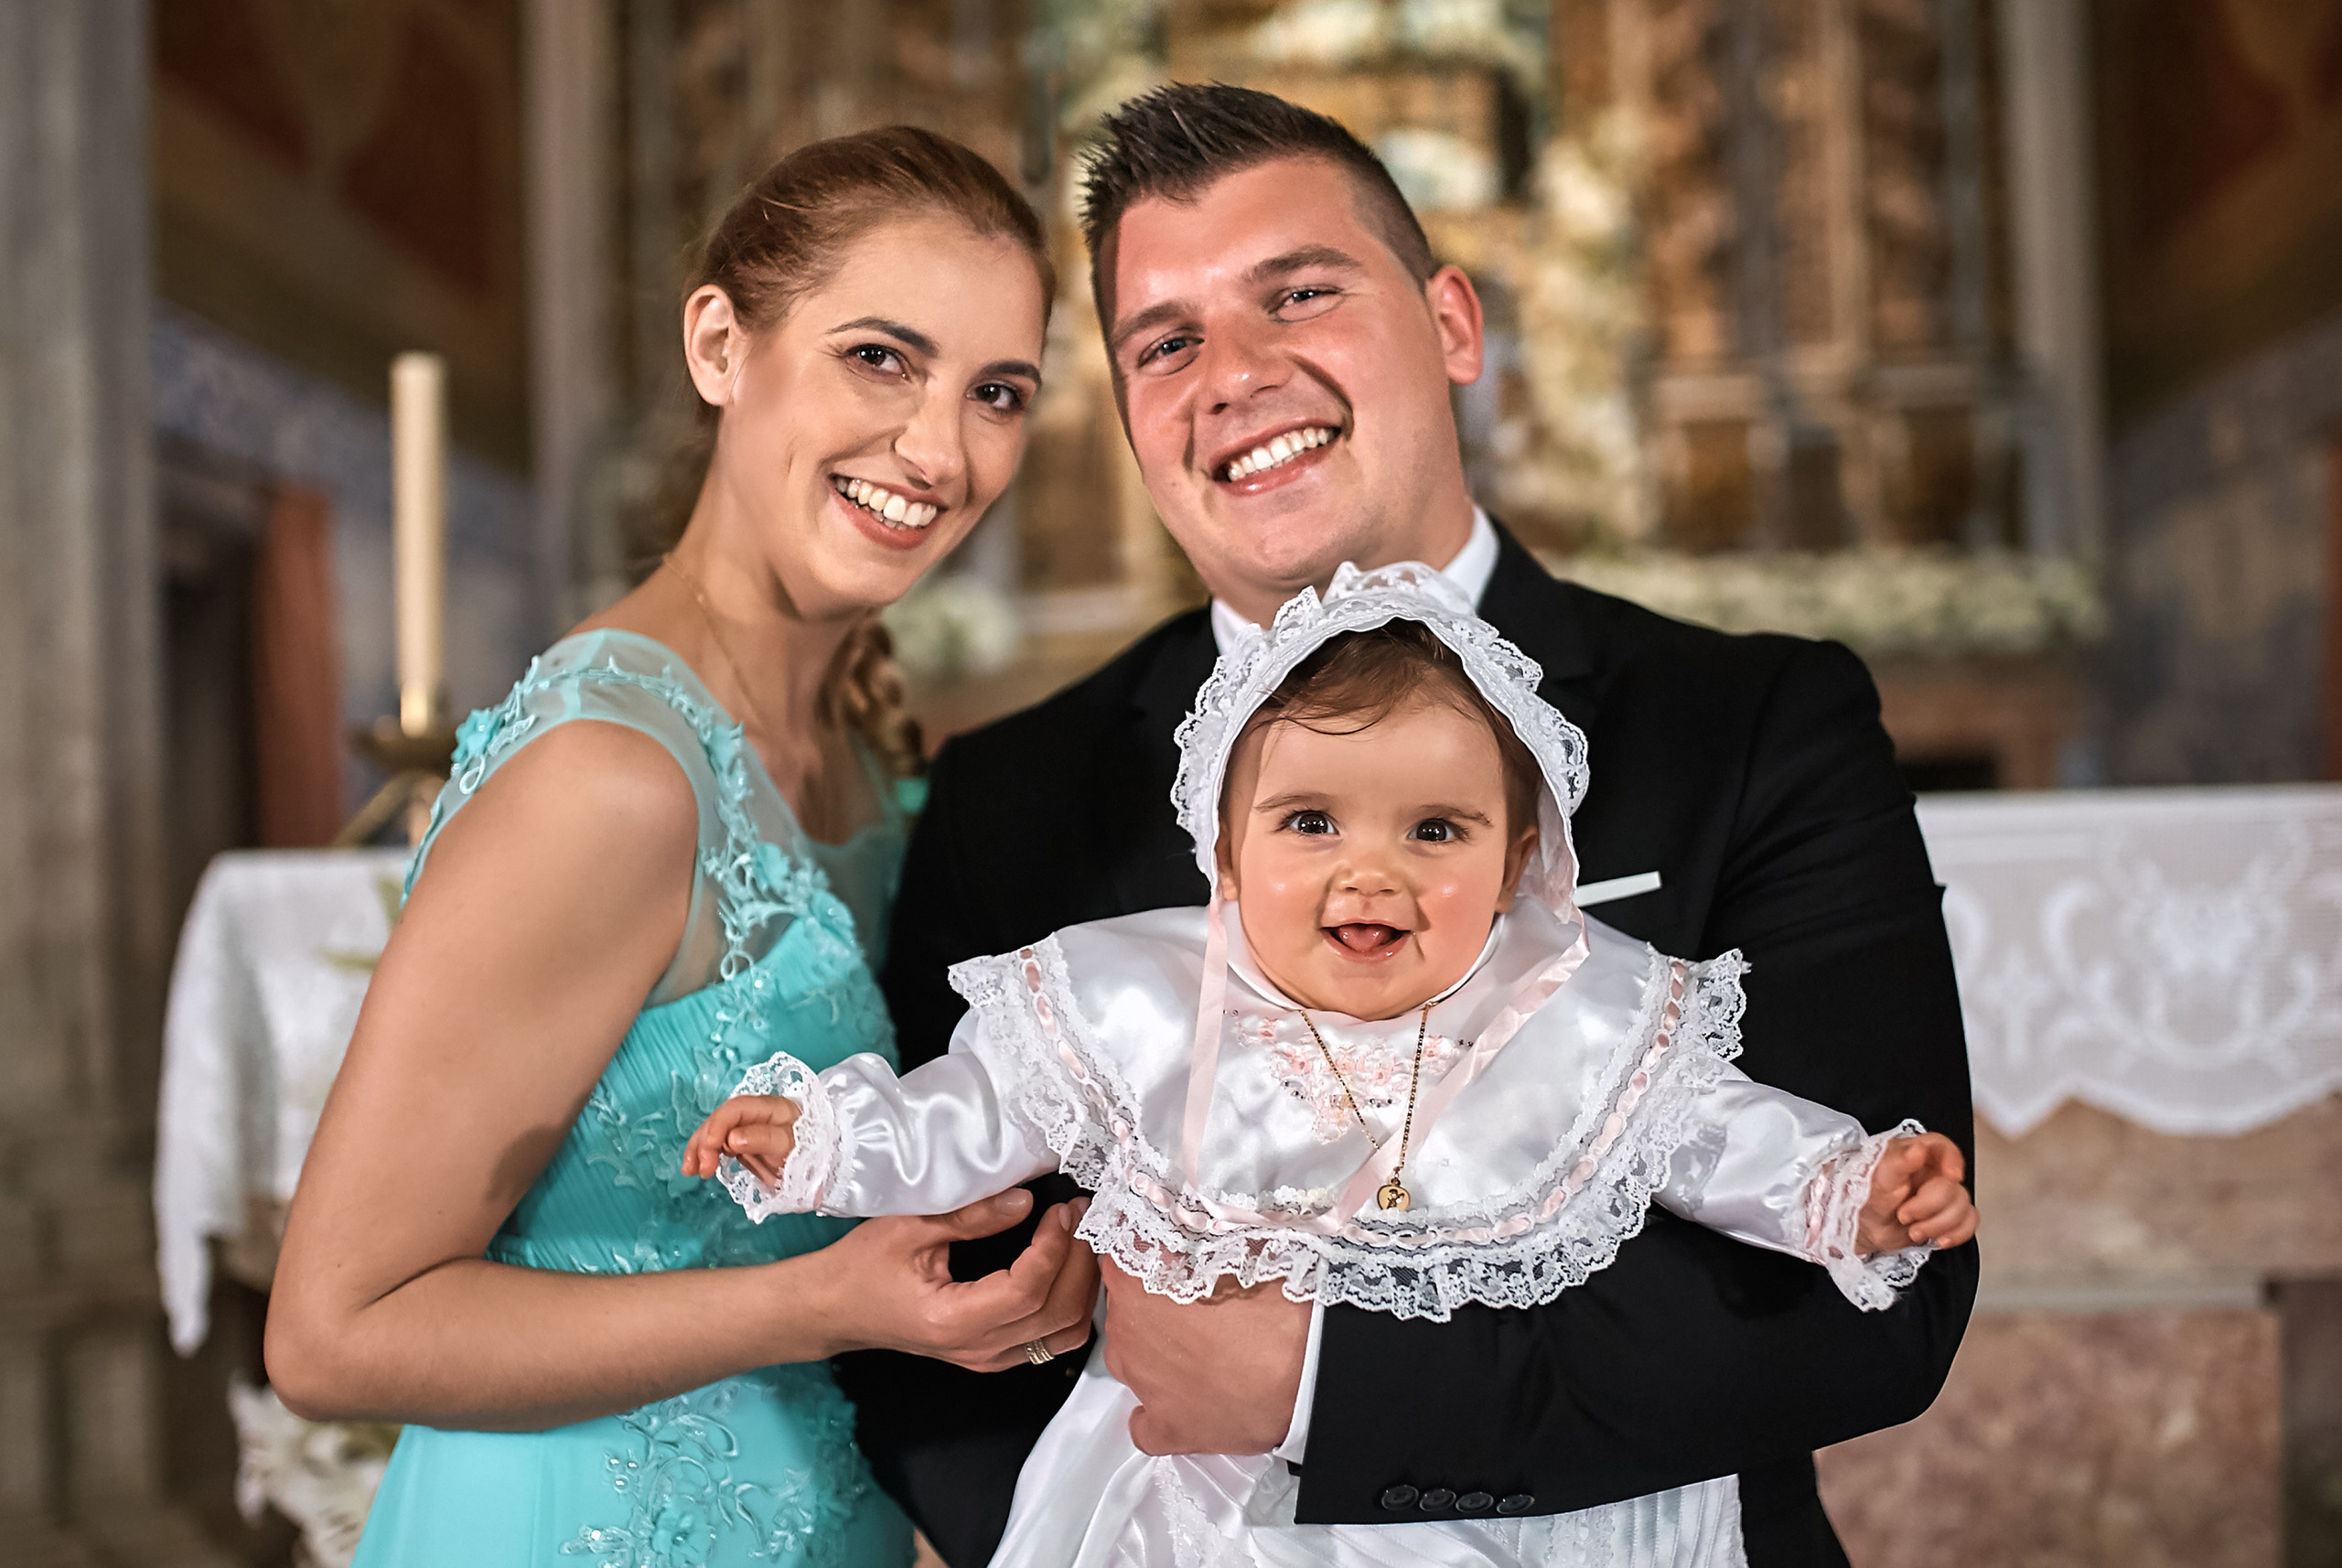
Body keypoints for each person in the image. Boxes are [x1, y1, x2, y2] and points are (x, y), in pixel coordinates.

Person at [847, 86, 1979, 1568]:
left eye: (1298, 294)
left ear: (1452, 323)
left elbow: (1879, 1294)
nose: (1233, 375)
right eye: (1165, 342)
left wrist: (1324, 1388)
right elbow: (926, 1341)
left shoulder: (1758, 725)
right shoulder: (1014, 796)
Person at [685, 568, 1977, 1568]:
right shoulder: (1137, 996)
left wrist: (1848, 1188)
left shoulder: (1573, 1003)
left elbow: (1716, 1135)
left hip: (1510, 1511)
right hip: (1191, 1512)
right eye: (1311, 822)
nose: (1372, 872)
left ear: (1517, 861)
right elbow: (969, 1118)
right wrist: (827, 1141)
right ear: (1226, 853)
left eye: (1437, 830)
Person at [264, 127, 1098, 1567]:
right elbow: (334, 1333)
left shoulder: (867, 751)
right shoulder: (612, 780)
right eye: (879, 358)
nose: (939, 449)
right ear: (720, 344)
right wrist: (820, 1303)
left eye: (997, 393)